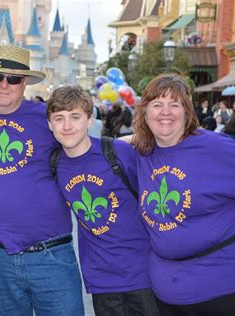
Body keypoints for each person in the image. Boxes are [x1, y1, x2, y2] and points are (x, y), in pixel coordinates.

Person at [0, 44, 84, 315]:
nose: (4, 84)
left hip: (52, 256)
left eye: (13, 79)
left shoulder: (45, 118)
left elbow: (84, 148)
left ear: (24, 83)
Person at [131, 74, 235, 315]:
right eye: (157, 104)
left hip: (224, 291)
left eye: (175, 104)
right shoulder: (142, 153)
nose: (166, 112)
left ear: (187, 111)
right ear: (144, 112)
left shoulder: (217, 149)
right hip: (167, 295)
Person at [47, 86, 159, 316]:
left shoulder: (118, 152)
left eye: (75, 117)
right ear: (49, 124)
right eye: (59, 118)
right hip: (101, 279)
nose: (67, 126)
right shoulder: (55, 165)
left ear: (90, 120)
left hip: (143, 274)